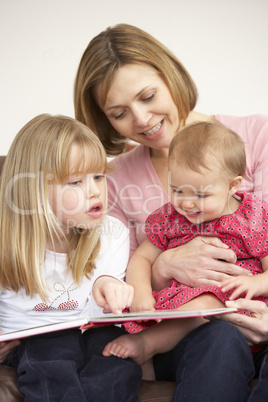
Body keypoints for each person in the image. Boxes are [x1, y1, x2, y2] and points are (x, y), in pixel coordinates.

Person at [73, 24, 268, 400]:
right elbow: (113, 277)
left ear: (171, 75)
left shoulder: (256, 136)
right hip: (190, 333)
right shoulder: (111, 179)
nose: (142, 119)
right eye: (119, 113)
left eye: (148, 96)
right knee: (219, 339)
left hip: (256, 309)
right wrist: (163, 267)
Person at [101, 121, 268, 380]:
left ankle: (148, 344)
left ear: (232, 186)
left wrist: (256, 283)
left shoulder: (254, 217)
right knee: (133, 323)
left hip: (232, 305)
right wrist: (142, 295)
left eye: (200, 195)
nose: (186, 203)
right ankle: (146, 368)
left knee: (208, 303)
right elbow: (141, 258)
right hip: (174, 308)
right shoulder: (170, 218)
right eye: (177, 190)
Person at [0, 114, 141, 401]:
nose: (94, 191)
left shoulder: (112, 232)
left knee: (115, 359)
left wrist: (113, 288)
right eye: (75, 182)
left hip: (91, 334)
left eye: (99, 176)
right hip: (31, 340)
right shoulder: (6, 242)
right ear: (34, 192)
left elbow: (105, 298)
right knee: (54, 349)